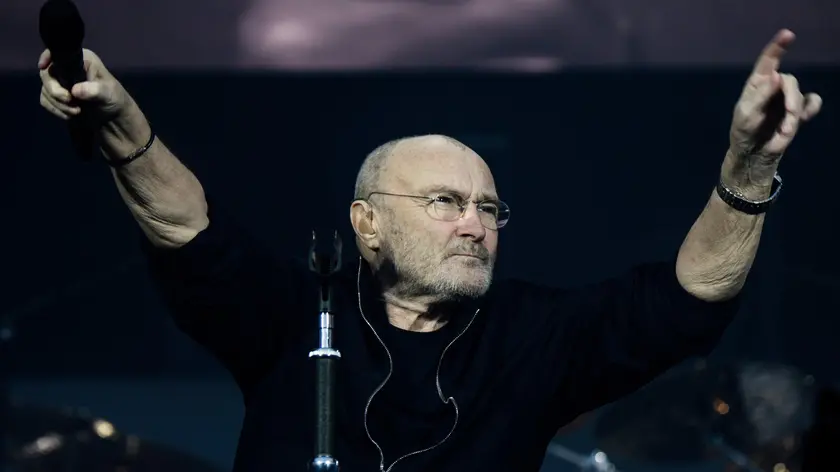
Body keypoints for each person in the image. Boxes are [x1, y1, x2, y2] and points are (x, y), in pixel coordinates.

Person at [37, 29, 822, 472]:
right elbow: (188, 230)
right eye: (444, 202)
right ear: (367, 223)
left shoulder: (534, 336)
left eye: (489, 208)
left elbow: (690, 300)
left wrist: (749, 169)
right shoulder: (297, 315)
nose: (475, 224)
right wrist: (122, 127)